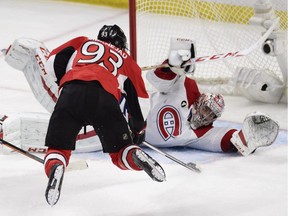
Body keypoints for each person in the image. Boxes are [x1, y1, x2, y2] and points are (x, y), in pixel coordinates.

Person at [2, 25, 166, 206]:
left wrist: (64, 84)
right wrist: (137, 130)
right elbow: (140, 103)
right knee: (120, 152)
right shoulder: (127, 60)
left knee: (58, 149)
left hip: (71, 92)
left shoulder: (83, 42)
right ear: (121, 44)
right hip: (105, 101)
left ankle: (57, 165)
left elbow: (53, 61)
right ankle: (134, 154)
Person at [145, 37, 280, 156]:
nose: (205, 116)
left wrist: (249, 139)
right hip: (132, 114)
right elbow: (155, 79)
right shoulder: (187, 88)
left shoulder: (201, 134)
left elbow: (228, 139)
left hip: (130, 140)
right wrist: (172, 67)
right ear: (199, 103)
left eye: (211, 115)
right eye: (206, 109)